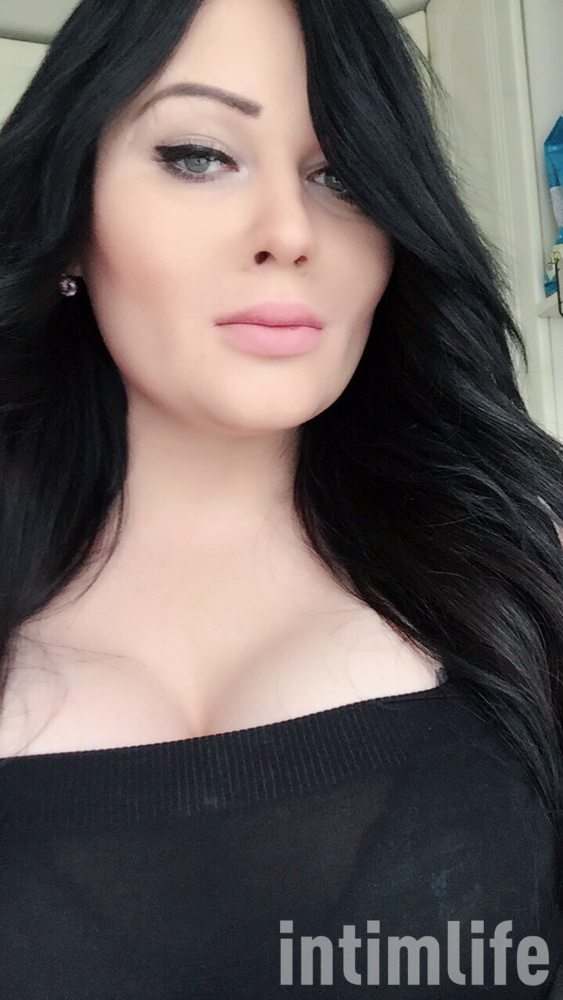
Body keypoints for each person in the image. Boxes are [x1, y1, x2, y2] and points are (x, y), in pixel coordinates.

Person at [0, 0, 561, 995]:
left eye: (340, 175)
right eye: (198, 155)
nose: (289, 233)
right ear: (72, 215)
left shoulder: (529, 555)